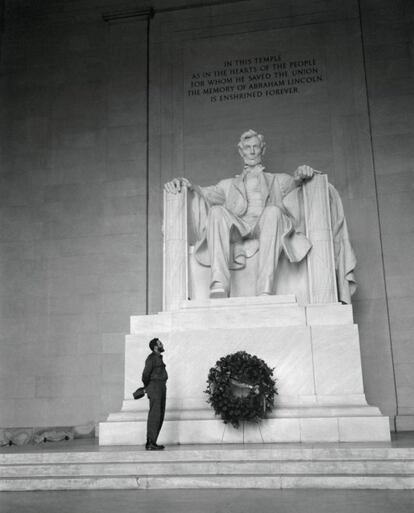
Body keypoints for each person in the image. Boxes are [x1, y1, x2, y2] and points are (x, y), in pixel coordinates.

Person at [164, 129, 316, 298]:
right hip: (239, 227)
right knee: (216, 212)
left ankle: (264, 289)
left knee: (273, 211)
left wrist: (303, 174)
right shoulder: (227, 185)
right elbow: (204, 193)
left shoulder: (279, 180)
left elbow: (296, 186)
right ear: (240, 151)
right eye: (247, 147)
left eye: (256, 147)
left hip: (267, 224)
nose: (252, 151)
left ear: (263, 149)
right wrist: (186, 185)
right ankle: (219, 284)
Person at [142, 338, 168, 450]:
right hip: (155, 386)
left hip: (161, 386)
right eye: (160, 343)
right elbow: (145, 375)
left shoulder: (158, 358)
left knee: (160, 415)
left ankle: (153, 442)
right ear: (155, 347)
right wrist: (149, 387)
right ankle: (150, 442)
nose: (162, 344)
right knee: (155, 415)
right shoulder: (151, 358)